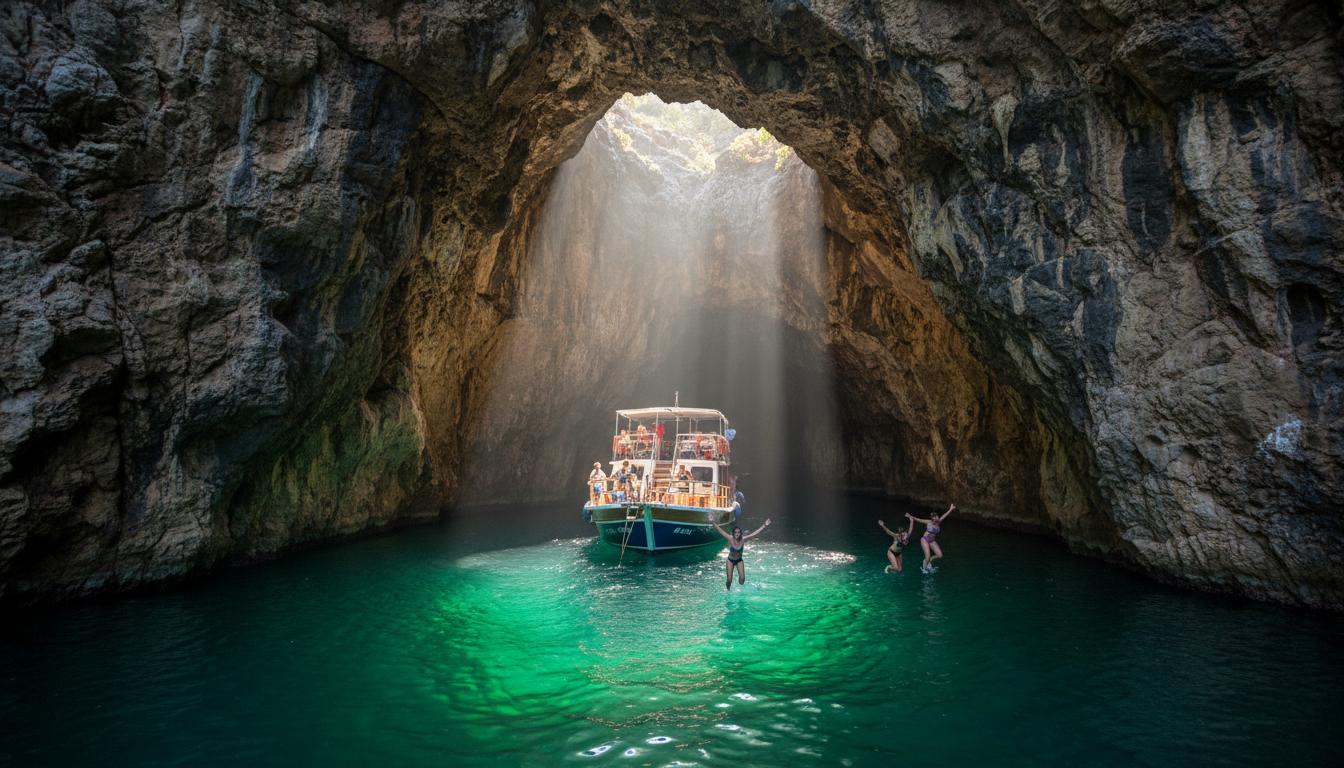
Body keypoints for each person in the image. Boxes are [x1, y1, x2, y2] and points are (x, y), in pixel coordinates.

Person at [713, 518, 771, 590]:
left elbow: (754, 534)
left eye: (738, 532)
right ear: (733, 533)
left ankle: (737, 585)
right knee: (729, 580)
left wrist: (764, 525)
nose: (737, 534)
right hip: (730, 560)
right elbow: (721, 531)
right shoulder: (730, 538)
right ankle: (728, 589)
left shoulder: (743, 540)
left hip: (739, 560)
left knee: (742, 581)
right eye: (735, 532)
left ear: (740, 533)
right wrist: (713, 522)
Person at [907, 503, 955, 573]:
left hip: (932, 541)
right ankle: (924, 568)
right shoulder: (929, 522)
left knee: (940, 555)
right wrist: (910, 516)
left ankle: (929, 561)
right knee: (927, 556)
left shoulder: (939, 522)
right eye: (935, 517)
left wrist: (950, 509)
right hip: (925, 540)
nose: (937, 517)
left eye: (937, 516)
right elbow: (919, 520)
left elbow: (945, 515)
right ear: (932, 518)